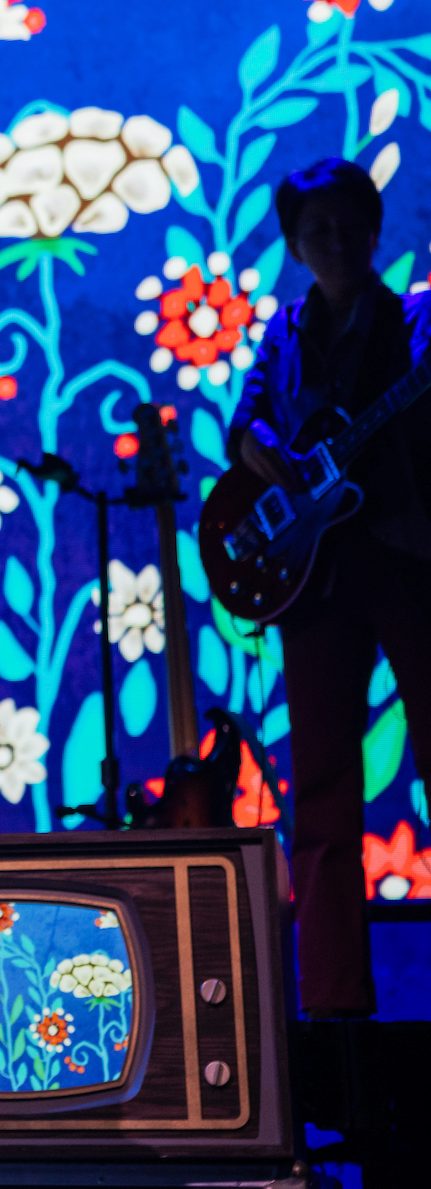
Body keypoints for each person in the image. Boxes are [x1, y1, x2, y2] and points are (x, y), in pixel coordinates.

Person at [229, 158, 431, 1017]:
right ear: (294, 245)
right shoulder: (283, 334)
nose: (338, 242)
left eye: (352, 226)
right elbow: (246, 422)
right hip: (314, 579)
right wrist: (259, 448)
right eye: (320, 231)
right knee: (320, 791)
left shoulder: (416, 322)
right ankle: (335, 1006)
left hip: (408, 559)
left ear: (376, 230)